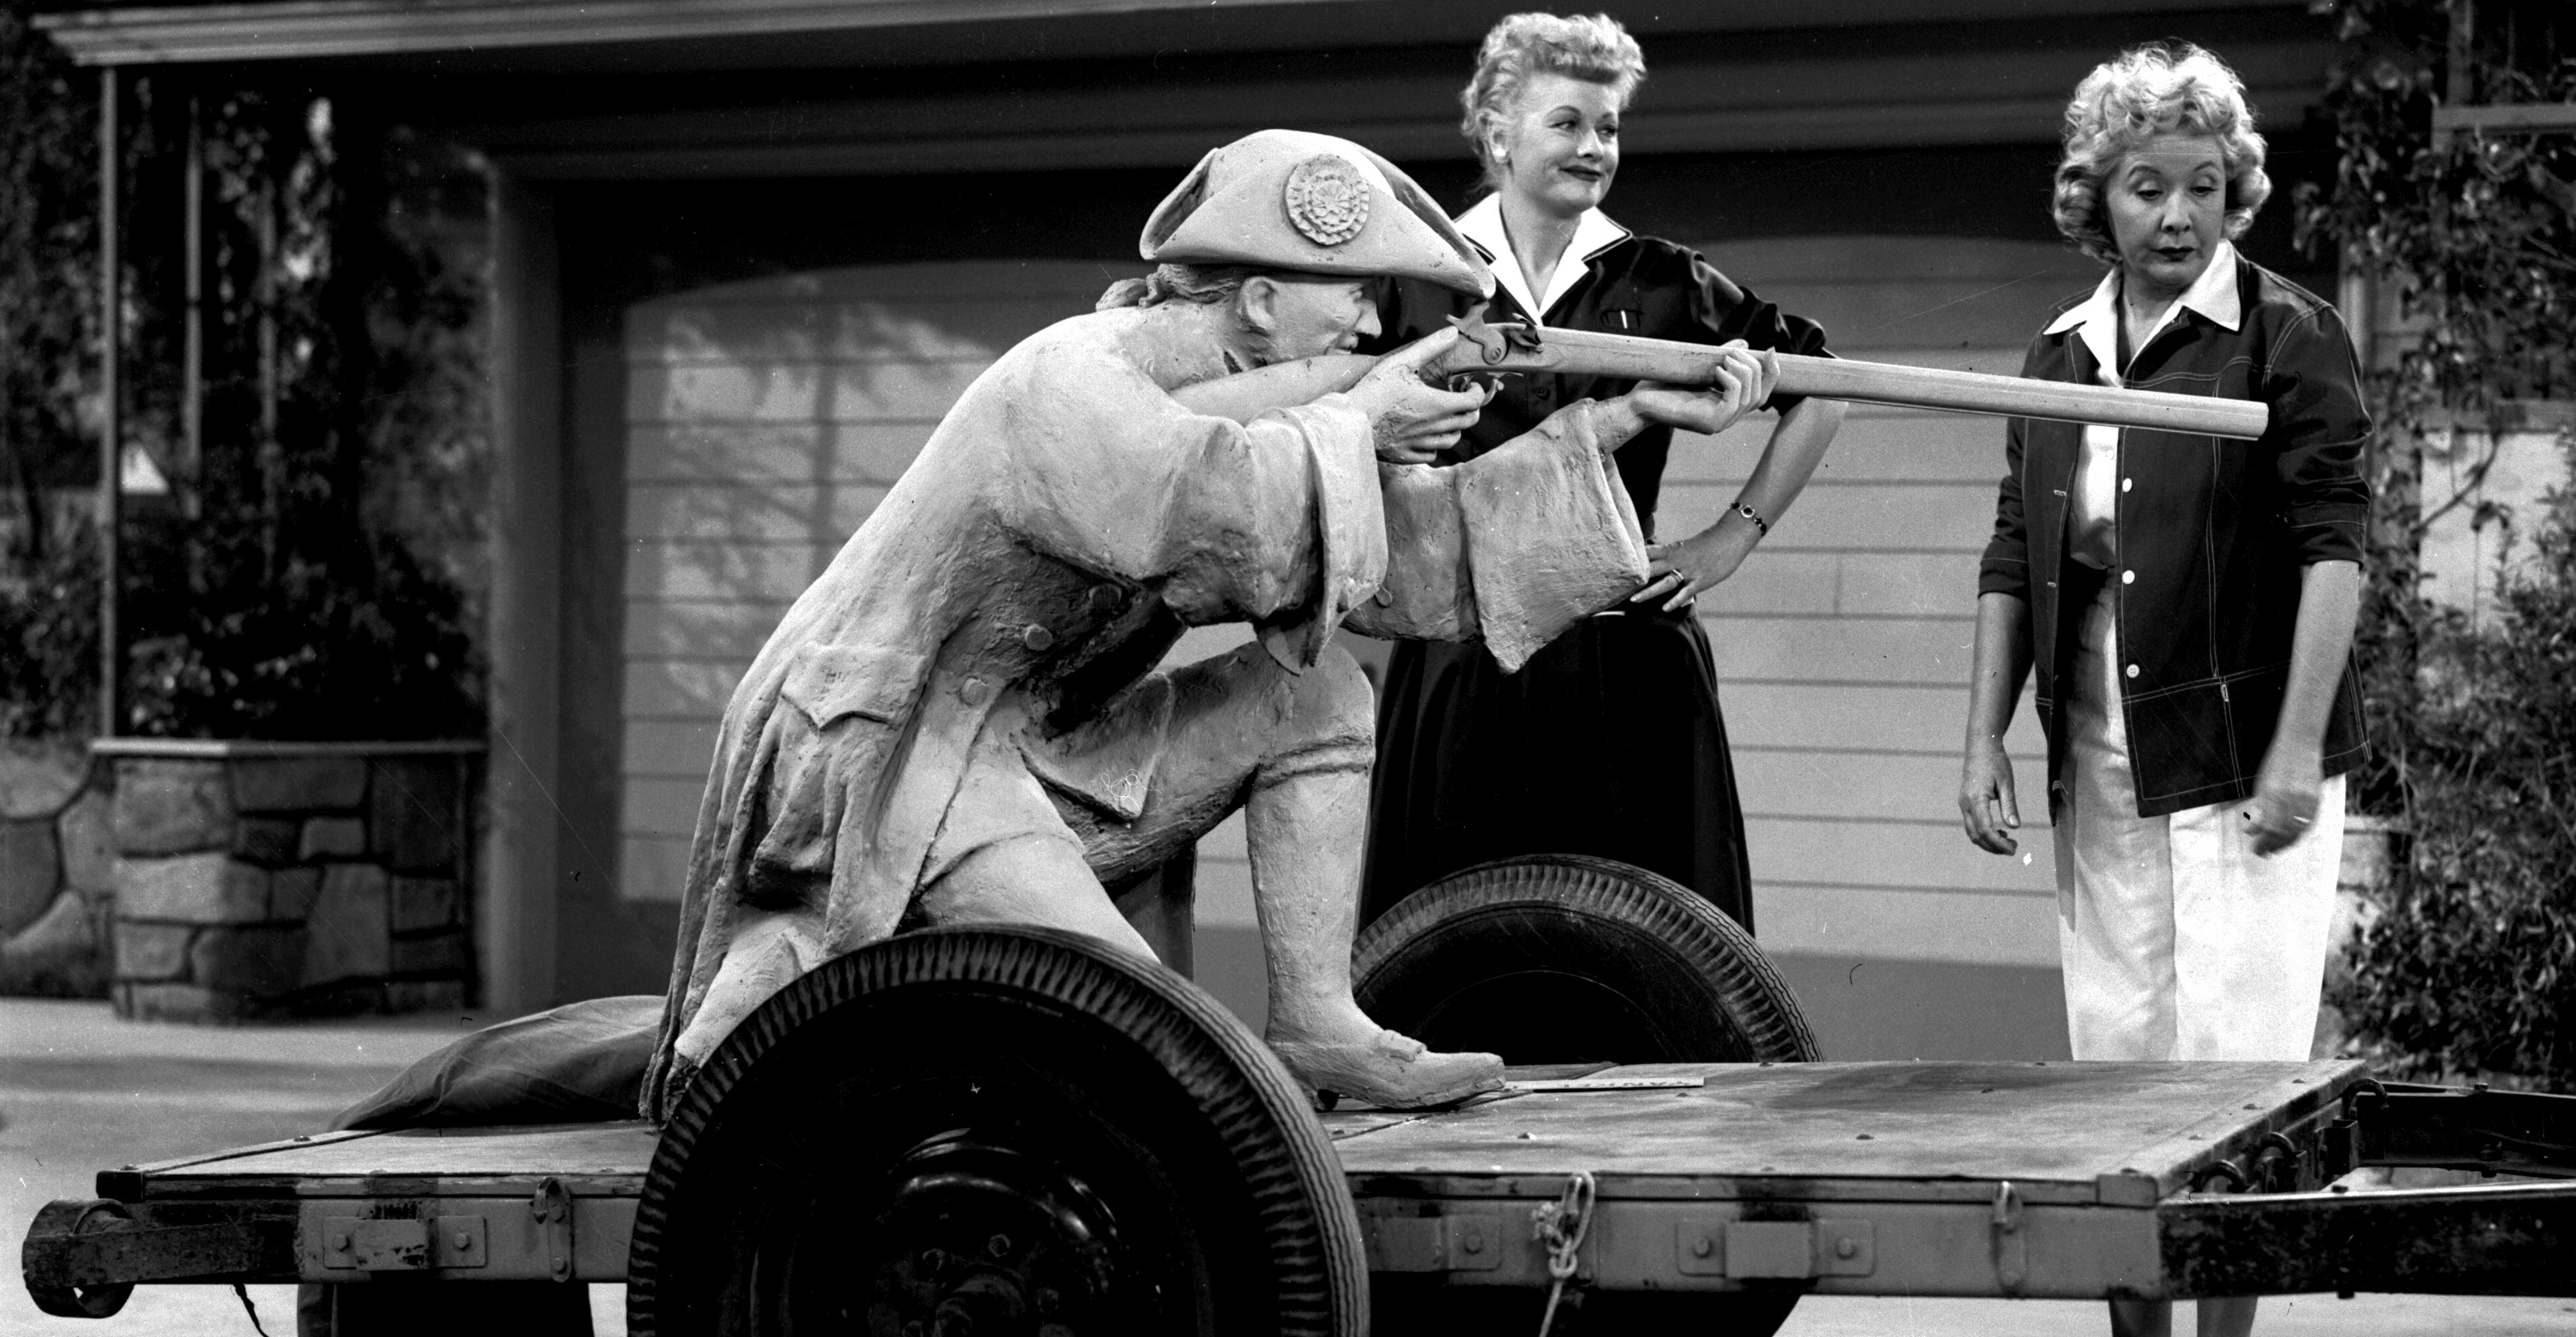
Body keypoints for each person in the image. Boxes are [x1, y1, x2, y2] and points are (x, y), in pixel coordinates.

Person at [645, 128, 1777, 1120]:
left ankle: (1323, 1021)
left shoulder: (1277, 409)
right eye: (1354, 296)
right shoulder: (1065, 378)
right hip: (910, 775)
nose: (1376, 321)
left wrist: (1626, 414)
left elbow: (1407, 562)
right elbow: (1189, 507)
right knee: (1154, 1049)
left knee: (1318, 690)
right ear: (1259, 301)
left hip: (1042, 753)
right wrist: (1358, 415)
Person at [1958, 44, 2370, 1337]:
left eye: (2203, 186)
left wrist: (2295, 751)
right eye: (2146, 187)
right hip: (2100, 771)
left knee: (2234, 1075)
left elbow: (2334, 552)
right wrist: (1981, 739)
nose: (2177, 215)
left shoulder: (2285, 337)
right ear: (2096, 197)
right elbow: (2017, 552)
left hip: (2245, 769)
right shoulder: (2057, 358)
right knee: (2114, 1074)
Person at [1358, 12, 1849, 928]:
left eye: (1609, 127)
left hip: (1624, 660)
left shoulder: (1666, 282)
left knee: (1653, 953)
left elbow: (1823, 390)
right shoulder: (1413, 278)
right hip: (1458, 660)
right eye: (1568, 122)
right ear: (1497, 132)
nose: (1594, 147)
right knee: (1450, 946)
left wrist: (1727, 539)